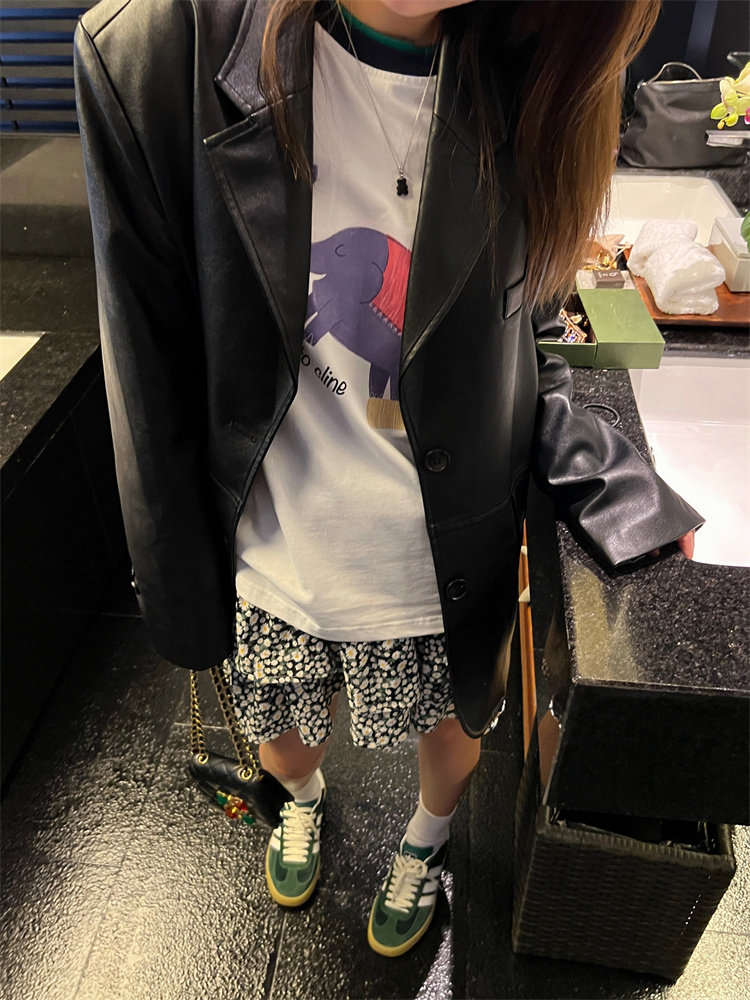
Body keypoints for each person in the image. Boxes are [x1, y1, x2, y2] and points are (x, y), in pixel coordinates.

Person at [74, 0, 701, 958]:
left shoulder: (540, 66)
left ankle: (425, 841)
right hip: (275, 550)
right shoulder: (158, 52)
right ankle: (302, 802)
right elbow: (143, 366)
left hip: (443, 557)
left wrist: (608, 480)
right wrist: (177, 589)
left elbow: (532, 325)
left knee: (452, 727)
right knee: (282, 734)